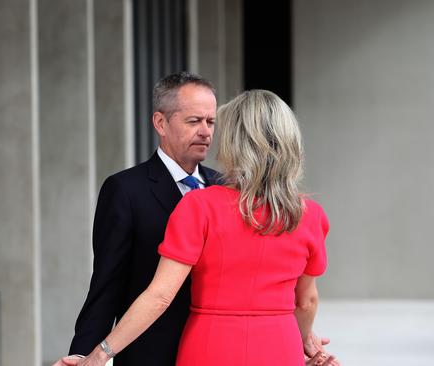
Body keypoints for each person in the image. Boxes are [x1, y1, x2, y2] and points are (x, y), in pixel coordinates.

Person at [54, 77, 338, 365]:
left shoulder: (216, 192)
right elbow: (106, 283)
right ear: (160, 123)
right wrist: (86, 353)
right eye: (193, 121)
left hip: (207, 345)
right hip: (152, 350)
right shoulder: (125, 190)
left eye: (211, 122)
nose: (205, 132)